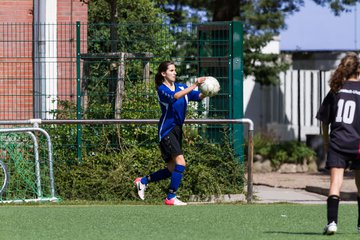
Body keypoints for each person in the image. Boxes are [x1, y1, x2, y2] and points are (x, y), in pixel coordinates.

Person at [134, 61, 207, 206]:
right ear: (163, 74)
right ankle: (170, 197)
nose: (175, 73)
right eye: (171, 70)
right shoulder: (162, 89)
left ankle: (143, 181)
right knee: (181, 163)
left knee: (172, 169)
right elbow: (176, 96)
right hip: (167, 130)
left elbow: (197, 96)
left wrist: (208, 91)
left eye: (175, 70)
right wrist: (194, 84)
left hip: (177, 130)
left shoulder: (181, 86)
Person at [316, 52, 360, 235]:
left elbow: (324, 122)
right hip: (358, 144)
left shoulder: (335, 89)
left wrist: (326, 143)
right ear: (358, 69)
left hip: (338, 143)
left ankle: (332, 223)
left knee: (335, 183)